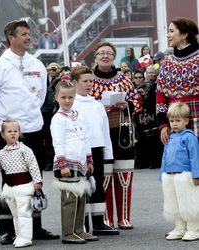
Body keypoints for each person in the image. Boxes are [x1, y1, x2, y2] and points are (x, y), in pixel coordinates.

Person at [0, 19, 59, 244]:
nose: (28, 37)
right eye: (23, 34)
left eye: (28, 34)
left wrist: (30, 113)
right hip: (10, 131)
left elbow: (42, 93)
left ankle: (35, 226)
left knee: (35, 177)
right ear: (11, 38)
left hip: (34, 128)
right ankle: (8, 229)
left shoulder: (37, 64)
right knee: (10, 179)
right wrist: (4, 117)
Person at [90, 41, 142, 229]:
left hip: (122, 133)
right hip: (99, 134)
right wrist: (99, 107)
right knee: (104, 175)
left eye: (109, 53)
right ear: (95, 57)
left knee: (124, 175)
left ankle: (124, 217)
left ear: (114, 57)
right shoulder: (89, 79)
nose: (105, 56)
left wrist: (126, 105)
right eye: (101, 53)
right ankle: (107, 218)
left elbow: (137, 100)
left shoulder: (124, 79)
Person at [0, 120, 43, 248]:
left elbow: (33, 165)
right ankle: (19, 235)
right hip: (10, 188)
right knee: (15, 213)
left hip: (24, 186)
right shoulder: (1, 153)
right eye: (9, 131)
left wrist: (37, 180)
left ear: (19, 133)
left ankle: (26, 237)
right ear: (3, 135)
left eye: (15, 131)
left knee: (24, 213)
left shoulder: (25, 150)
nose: (13, 134)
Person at [72, 66, 119, 235]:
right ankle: (81, 225)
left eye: (91, 81)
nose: (90, 84)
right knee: (82, 186)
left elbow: (104, 130)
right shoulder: (72, 104)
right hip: (79, 151)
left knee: (97, 185)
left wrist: (108, 153)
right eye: (85, 81)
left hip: (97, 148)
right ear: (74, 82)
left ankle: (99, 223)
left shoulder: (97, 105)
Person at [50, 81, 98, 244]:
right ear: (56, 97)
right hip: (66, 163)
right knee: (69, 198)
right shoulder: (58, 119)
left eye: (70, 97)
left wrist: (89, 158)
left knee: (81, 196)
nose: (67, 100)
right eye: (63, 97)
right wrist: (62, 163)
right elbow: (58, 142)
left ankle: (79, 230)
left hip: (81, 162)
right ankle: (68, 233)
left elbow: (85, 138)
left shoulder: (79, 116)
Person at [159, 102, 199, 241]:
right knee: (174, 203)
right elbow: (165, 156)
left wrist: (196, 175)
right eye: (171, 121)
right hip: (170, 176)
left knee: (189, 203)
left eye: (178, 120)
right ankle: (180, 228)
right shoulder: (169, 137)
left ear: (186, 121)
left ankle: (194, 228)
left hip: (185, 176)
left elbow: (195, 157)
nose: (174, 124)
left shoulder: (190, 137)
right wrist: (162, 174)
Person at [156, 17, 199, 145]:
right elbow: (161, 96)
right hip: (176, 127)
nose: (168, 35)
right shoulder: (167, 63)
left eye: (171, 31)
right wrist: (163, 124)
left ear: (184, 35)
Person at [134, 65, 163, 169]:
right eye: (149, 72)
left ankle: (155, 162)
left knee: (155, 141)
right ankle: (143, 162)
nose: (151, 74)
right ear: (145, 74)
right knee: (143, 141)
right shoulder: (139, 87)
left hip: (154, 116)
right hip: (142, 117)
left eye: (152, 72)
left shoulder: (159, 85)